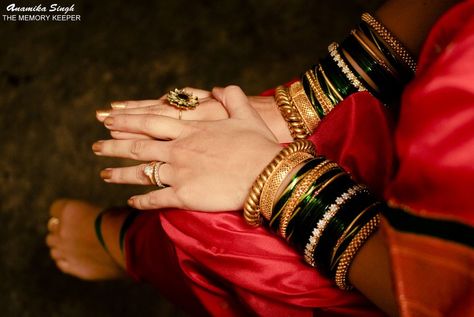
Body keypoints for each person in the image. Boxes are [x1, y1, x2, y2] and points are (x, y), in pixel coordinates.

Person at [46, 0, 474, 316]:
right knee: (217, 144)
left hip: (415, 277)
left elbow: (441, 297)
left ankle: (134, 249)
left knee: (225, 226)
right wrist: (313, 97)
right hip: (428, 104)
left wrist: (278, 180)